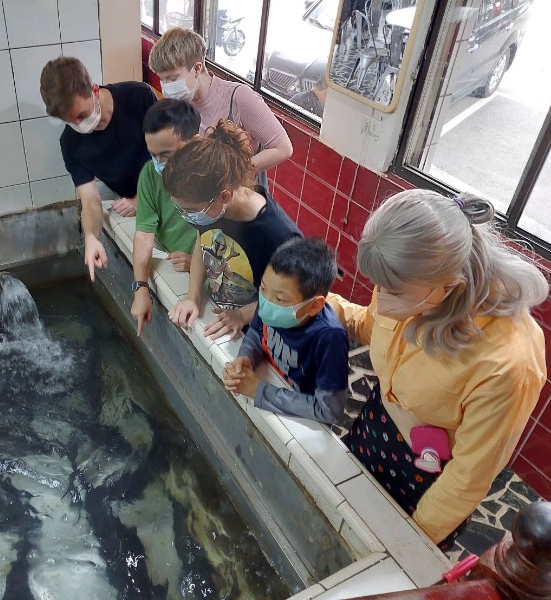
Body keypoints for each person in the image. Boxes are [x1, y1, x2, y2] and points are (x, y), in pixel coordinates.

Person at [328, 190, 548, 548]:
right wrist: (323, 306)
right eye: (379, 285)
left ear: (450, 287)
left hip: (429, 477)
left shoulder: (508, 363)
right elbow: (374, 325)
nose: (382, 298)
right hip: (374, 428)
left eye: (394, 291)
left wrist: (411, 543)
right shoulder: (412, 283)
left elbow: (468, 475)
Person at [164, 119, 301, 340]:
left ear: (225, 195)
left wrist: (241, 315)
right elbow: (203, 241)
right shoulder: (213, 208)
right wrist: (193, 297)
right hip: (223, 307)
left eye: (190, 210)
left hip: (262, 333)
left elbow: (293, 301)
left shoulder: (279, 236)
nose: (187, 216)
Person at [39, 57, 158, 280]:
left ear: (94, 90)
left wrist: (141, 200)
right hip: (141, 210)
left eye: (82, 115)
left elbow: (174, 159)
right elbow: (90, 202)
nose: (79, 125)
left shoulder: (139, 97)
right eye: (70, 121)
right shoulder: (71, 144)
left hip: (171, 196)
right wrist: (91, 237)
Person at [223, 237, 349, 425]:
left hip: (303, 416)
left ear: (314, 306)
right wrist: (246, 357)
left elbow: (329, 410)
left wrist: (259, 390)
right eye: (263, 288)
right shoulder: (271, 301)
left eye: (280, 299)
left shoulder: (329, 338)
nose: (266, 302)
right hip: (273, 384)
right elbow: (257, 334)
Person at [148, 28, 293, 187]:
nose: (167, 87)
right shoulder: (180, 105)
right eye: (162, 80)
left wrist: (230, 178)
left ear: (196, 69)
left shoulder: (239, 97)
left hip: (241, 200)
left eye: (172, 78)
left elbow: (282, 148)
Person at [131, 99, 200, 336]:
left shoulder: (210, 177)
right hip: (182, 264)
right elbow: (143, 234)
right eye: (153, 155)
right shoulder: (151, 174)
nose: (159, 163)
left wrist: (198, 264)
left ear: (192, 144)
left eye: (166, 155)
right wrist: (140, 288)